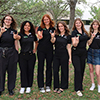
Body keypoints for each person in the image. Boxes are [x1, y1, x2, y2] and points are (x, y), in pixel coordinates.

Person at [0, 14, 19, 95]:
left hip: (12, 52)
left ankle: (11, 89)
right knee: (1, 71)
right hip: (1, 53)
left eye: (9, 19)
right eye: (6, 19)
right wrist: (1, 32)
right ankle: (0, 89)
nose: (8, 21)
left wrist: (17, 52)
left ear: (11, 22)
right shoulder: (0, 29)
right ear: (4, 20)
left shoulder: (14, 31)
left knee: (12, 71)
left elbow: (16, 43)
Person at [50, 21, 71, 94]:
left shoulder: (68, 36)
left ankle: (63, 86)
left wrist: (70, 57)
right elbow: (52, 42)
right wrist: (52, 37)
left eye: (61, 26)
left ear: (64, 27)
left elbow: (69, 47)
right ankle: (56, 86)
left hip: (64, 54)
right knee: (55, 70)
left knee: (64, 70)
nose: (60, 28)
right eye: (59, 26)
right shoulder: (56, 35)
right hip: (56, 54)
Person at [18, 21, 38, 94]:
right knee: (23, 71)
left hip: (31, 56)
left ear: (31, 27)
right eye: (25, 25)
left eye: (29, 26)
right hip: (22, 55)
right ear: (23, 26)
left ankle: (29, 86)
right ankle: (23, 86)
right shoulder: (20, 34)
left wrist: (35, 49)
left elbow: (36, 42)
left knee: (30, 70)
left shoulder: (32, 35)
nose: (27, 27)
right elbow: (17, 38)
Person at [37, 14, 55, 93]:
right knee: (40, 67)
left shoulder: (53, 29)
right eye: (44, 19)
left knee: (49, 67)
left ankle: (48, 85)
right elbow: (39, 37)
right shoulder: (40, 28)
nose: (46, 21)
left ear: (50, 20)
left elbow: (53, 41)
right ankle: (41, 86)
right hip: (41, 50)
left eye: (47, 19)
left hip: (49, 50)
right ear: (43, 21)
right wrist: (39, 35)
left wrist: (52, 36)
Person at [71, 18, 89, 96]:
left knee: (82, 69)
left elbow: (88, 41)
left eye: (79, 23)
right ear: (75, 25)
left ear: (81, 24)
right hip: (75, 53)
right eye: (76, 23)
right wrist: (76, 42)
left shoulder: (85, 32)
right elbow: (74, 44)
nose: (78, 24)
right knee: (77, 70)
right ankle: (77, 89)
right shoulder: (74, 32)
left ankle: (80, 85)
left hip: (83, 53)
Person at [87, 20, 100, 93]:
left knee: (98, 72)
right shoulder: (90, 33)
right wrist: (92, 37)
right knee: (91, 70)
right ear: (92, 26)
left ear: (98, 26)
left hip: (98, 52)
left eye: (96, 24)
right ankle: (93, 84)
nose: (95, 25)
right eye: (93, 24)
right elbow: (88, 44)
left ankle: (99, 85)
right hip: (90, 52)